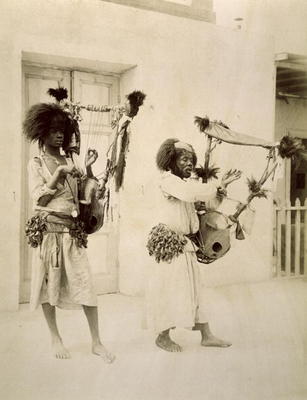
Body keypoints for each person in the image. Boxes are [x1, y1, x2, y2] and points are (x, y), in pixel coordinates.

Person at [23, 102, 115, 363]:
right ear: (41, 133)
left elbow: (81, 197)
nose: (59, 135)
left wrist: (88, 175)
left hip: (71, 233)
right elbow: (38, 199)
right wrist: (60, 173)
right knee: (47, 286)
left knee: (86, 284)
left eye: (61, 129)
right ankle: (55, 337)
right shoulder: (37, 163)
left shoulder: (70, 158)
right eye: (53, 130)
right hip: (50, 232)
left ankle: (96, 342)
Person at [146, 138, 241, 352]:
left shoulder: (187, 184)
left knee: (196, 289)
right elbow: (192, 194)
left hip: (186, 245)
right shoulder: (168, 181)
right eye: (183, 159)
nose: (189, 163)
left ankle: (206, 335)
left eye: (191, 159)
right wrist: (216, 186)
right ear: (170, 161)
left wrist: (221, 189)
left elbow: (207, 204)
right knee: (170, 290)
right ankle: (162, 336)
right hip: (171, 246)